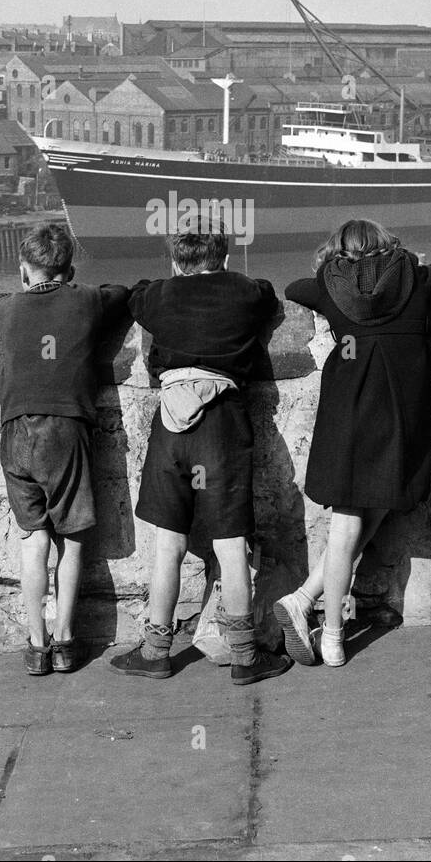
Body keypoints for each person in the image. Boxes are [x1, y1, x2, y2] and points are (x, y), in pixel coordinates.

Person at [111, 229, 291, 685]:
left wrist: (165, 283)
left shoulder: (159, 296)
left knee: (168, 543)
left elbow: (133, 296)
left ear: (176, 263)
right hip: (222, 423)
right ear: (226, 257)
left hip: (171, 423)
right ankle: (245, 657)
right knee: (230, 546)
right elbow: (268, 295)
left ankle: (155, 651)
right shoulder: (243, 291)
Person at [275, 220, 431, 667]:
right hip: (401, 409)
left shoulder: (328, 286)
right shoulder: (415, 279)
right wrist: (410, 263)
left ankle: (307, 605)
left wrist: (328, 269)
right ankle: (330, 631)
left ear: (340, 253)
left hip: (350, 407)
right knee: (361, 515)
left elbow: (293, 288)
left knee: (360, 513)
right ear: (387, 246)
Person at [0, 223, 129, 675]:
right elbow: (121, 292)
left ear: (23, 271)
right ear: (70, 270)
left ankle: (35, 641)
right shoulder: (86, 299)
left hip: (15, 429)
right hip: (66, 427)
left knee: (35, 538)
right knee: (72, 538)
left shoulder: (5, 308)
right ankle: (65, 640)